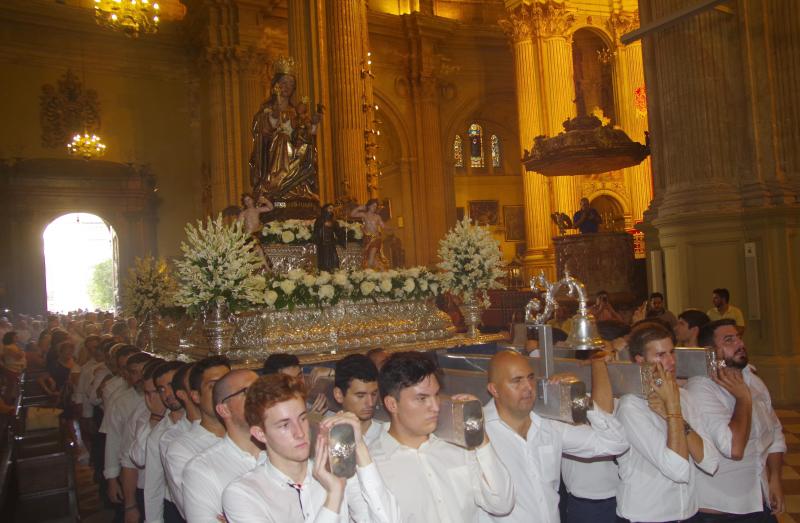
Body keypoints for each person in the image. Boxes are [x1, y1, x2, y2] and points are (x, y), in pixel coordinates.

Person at [221, 373, 399, 523]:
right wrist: (333, 495)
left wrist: (360, 447)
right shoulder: (244, 493)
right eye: (284, 425)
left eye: (302, 418)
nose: (299, 432)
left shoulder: (336, 470)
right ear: (260, 434)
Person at [484, 350, 628, 523]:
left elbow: (616, 443)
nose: (528, 387)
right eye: (517, 381)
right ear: (494, 389)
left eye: (530, 378)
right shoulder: (478, 433)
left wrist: (582, 401)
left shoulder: (548, 425)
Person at [368, 351, 514, 522]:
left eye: (436, 395)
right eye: (422, 398)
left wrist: (478, 433)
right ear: (392, 404)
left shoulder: (457, 446)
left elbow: (502, 503)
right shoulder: (374, 463)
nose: (435, 406)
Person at [615, 323, 719, 522]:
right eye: (661, 355)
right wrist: (672, 410)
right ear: (640, 361)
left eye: (672, 352)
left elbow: (711, 461)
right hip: (646, 516)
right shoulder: (631, 406)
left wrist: (675, 412)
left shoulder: (685, 397)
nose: (671, 361)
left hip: (688, 513)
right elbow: (678, 469)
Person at [687, 319, 786, 522]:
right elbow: (733, 448)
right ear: (711, 350)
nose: (740, 343)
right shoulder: (701, 387)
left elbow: (775, 432)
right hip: (721, 507)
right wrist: (743, 399)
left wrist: (775, 479)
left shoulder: (753, 379)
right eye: (729, 340)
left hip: (759, 498)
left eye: (739, 337)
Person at [183, 369, 260, 523]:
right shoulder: (201, 470)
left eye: (261, 389)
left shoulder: (284, 451)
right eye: (248, 392)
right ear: (224, 409)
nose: (261, 397)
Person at [164, 356, 230, 517]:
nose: (223, 393)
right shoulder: (181, 449)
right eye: (213, 386)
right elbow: (199, 513)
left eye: (227, 385)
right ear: (195, 396)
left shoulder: (253, 433)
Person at [249, 62, 323, 199]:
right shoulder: (267, 107)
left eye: (291, 84)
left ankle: (299, 189)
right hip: (273, 149)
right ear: (276, 85)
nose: (287, 86)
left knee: (307, 147)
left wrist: (314, 124)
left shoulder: (296, 111)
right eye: (284, 82)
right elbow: (262, 129)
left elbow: (307, 134)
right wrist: (274, 116)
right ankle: (276, 184)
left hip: (295, 148)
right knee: (282, 139)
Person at [146, 362, 191, 523]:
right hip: (177, 510)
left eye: (171, 385)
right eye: (161, 389)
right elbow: (153, 487)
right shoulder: (159, 434)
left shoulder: (211, 419)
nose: (167, 394)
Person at [332, 354, 386, 446]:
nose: (370, 403)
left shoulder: (387, 435)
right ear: (339, 395)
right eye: (360, 395)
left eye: (374, 394)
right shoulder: (327, 436)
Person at [351, 199, 389, 270]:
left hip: (376, 238)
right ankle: (382, 271)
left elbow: (383, 226)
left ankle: (367, 273)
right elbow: (352, 214)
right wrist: (359, 208)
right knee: (372, 258)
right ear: (368, 206)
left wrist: (390, 228)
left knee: (371, 256)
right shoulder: (364, 215)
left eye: (376, 206)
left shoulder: (377, 217)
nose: (375, 208)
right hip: (367, 239)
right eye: (373, 206)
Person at [313, 203, 344, 272]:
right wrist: (323, 225)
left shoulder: (333, 220)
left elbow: (338, 231)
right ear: (325, 209)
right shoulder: (319, 219)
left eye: (332, 209)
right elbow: (316, 231)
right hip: (322, 243)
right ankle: (324, 272)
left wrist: (343, 232)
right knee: (324, 259)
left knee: (333, 259)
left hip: (331, 243)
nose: (331, 210)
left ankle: (333, 272)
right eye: (330, 208)